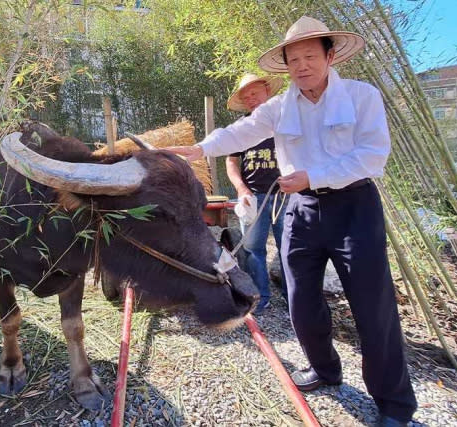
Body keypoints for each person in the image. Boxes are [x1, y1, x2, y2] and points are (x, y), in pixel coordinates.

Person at [166, 16, 417, 427]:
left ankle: (394, 404)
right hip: (300, 209)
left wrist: (313, 176)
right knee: (301, 299)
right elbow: (241, 132)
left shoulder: (361, 96)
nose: (301, 66)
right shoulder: (279, 107)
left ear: (330, 56)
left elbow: (373, 155)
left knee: (373, 307)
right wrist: (197, 150)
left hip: (354, 207)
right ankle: (324, 369)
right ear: (285, 66)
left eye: (309, 56)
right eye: (293, 59)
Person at [224, 73, 289, 314]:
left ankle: (295, 300)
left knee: (291, 249)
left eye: (255, 93)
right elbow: (231, 163)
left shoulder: (287, 121)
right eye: (246, 96)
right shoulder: (242, 128)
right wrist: (241, 189)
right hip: (254, 197)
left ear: (267, 91)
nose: (252, 99)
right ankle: (260, 299)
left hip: (288, 197)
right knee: (253, 250)